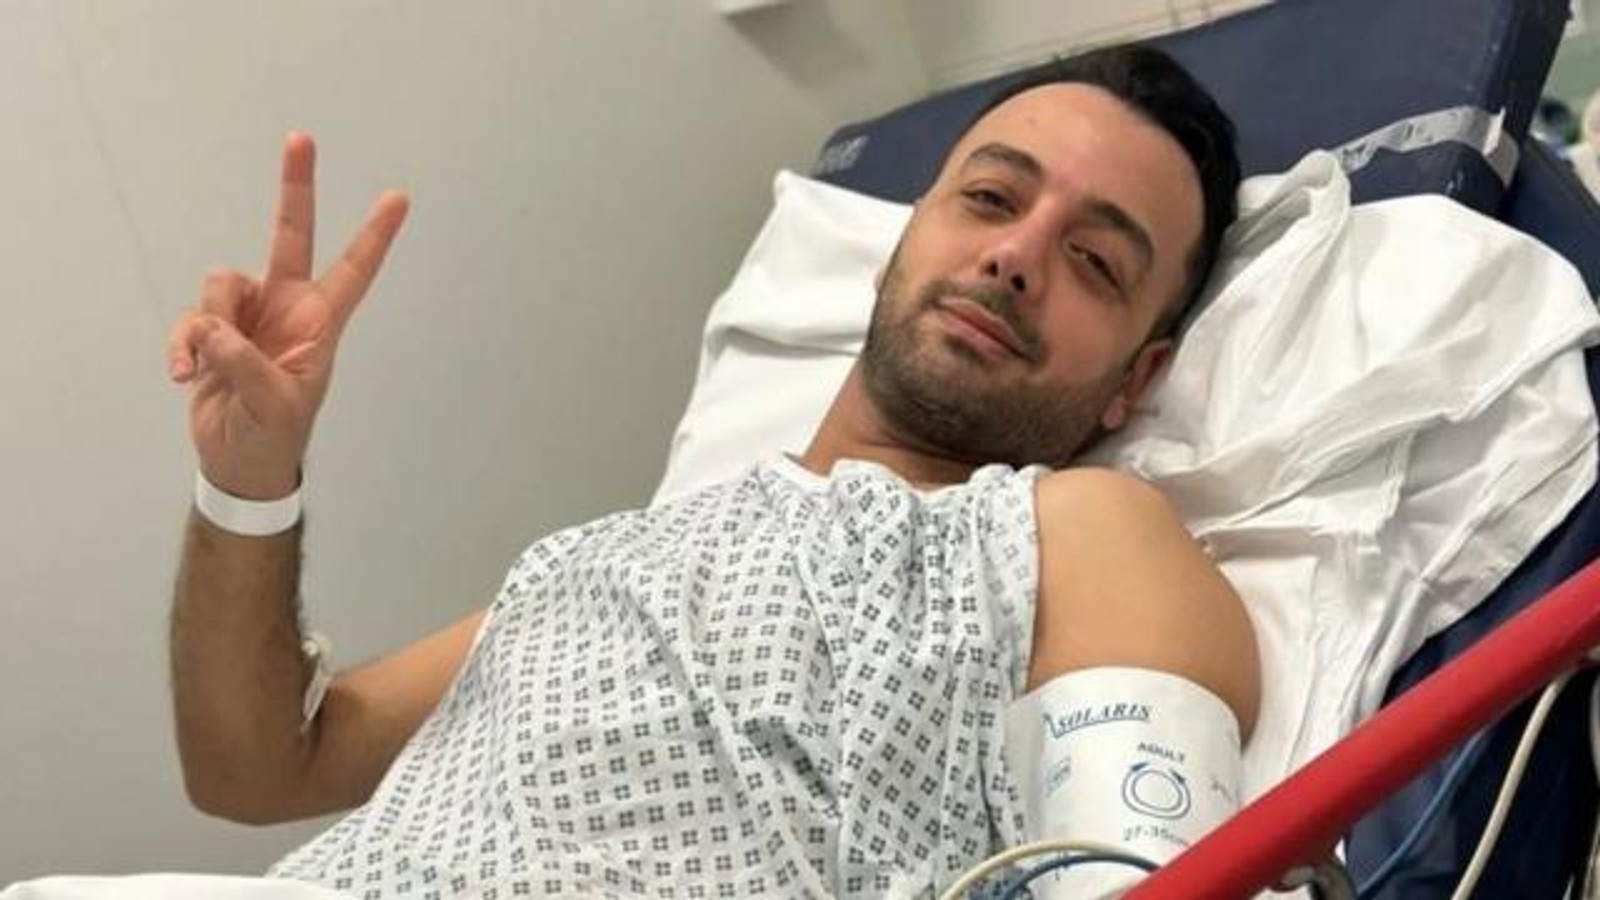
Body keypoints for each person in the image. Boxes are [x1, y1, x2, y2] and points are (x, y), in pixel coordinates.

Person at [165, 44, 1260, 898]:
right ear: (901, 239)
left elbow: (1141, 876)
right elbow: (255, 769)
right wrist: (248, 486)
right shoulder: (599, 560)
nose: (1016, 256)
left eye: (1093, 261)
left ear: (1135, 379)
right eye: (989, 199)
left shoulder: (1072, 531)